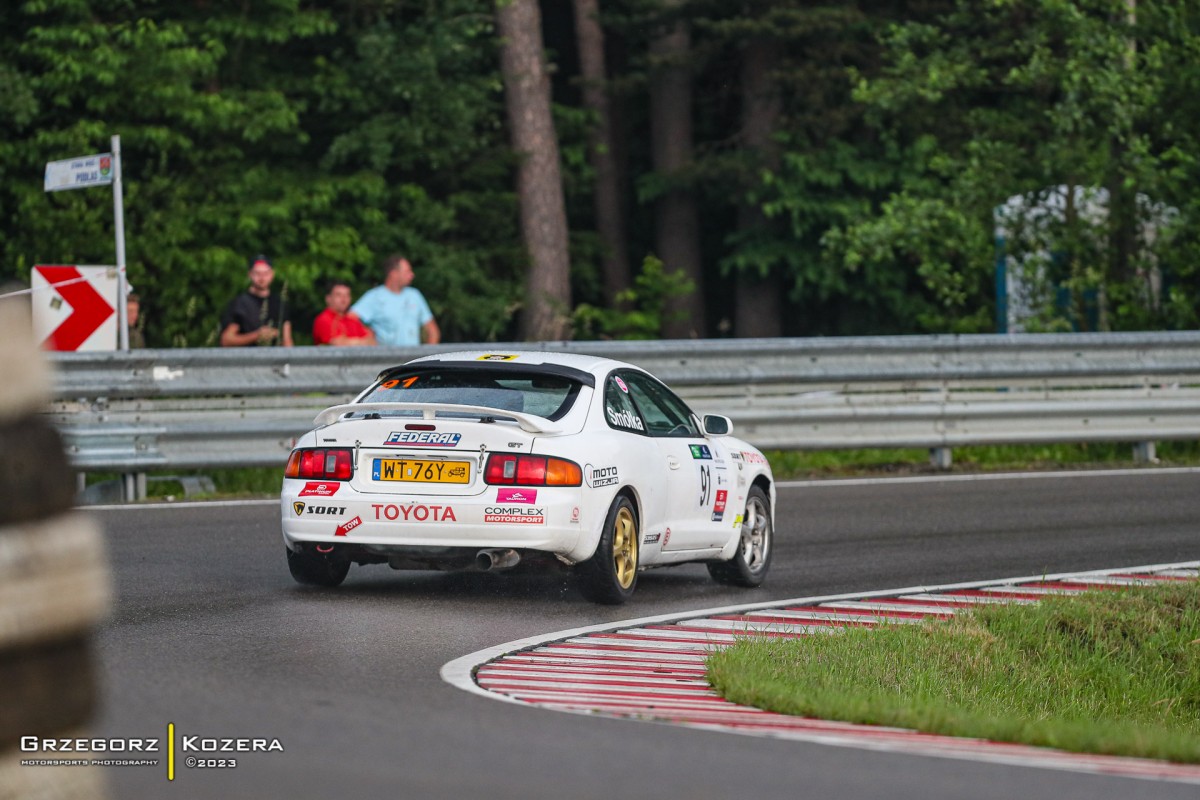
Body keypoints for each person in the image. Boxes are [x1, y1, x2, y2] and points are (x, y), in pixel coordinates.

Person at [350, 255, 440, 346]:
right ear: (393, 273)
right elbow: (350, 319)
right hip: (387, 358)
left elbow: (432, 330)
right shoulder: (375, 297)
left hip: (413, 357)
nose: (412, 275)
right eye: (407, 271)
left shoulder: (415, 295)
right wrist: (366, 333)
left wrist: (428, 355)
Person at [219, 255, 293, 347]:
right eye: (257, 273)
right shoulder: (240, 304)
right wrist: (257, 335)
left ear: (272, 274)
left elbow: (287, 342)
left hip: (274, 360)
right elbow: (226, 340)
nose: (262, 278)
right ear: (250, 274)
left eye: (266, 273)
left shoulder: (280, 304)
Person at [313, 279, 376, 346]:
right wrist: (360, 341)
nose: (343, 299)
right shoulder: (323, 319)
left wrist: (348, 341)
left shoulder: (353, 320)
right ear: (328, 298)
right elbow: (337, 344)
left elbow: (372, 342)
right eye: (338, 295)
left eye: (347, 295)